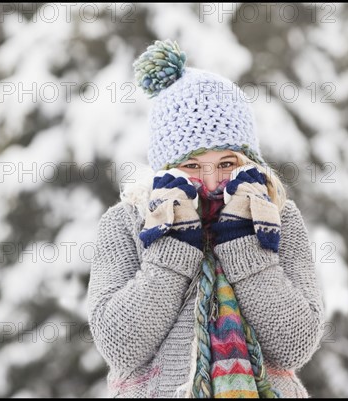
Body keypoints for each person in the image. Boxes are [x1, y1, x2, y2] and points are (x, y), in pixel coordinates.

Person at [87, 40, 325, 398]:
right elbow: (120, 347)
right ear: (167, 169)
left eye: (226, 164)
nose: (212, 182)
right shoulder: (126, 223)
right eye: (193, 166)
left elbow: (295, 344)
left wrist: (244, 244)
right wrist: (172, 251)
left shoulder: (277, 217)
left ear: (248, 162)